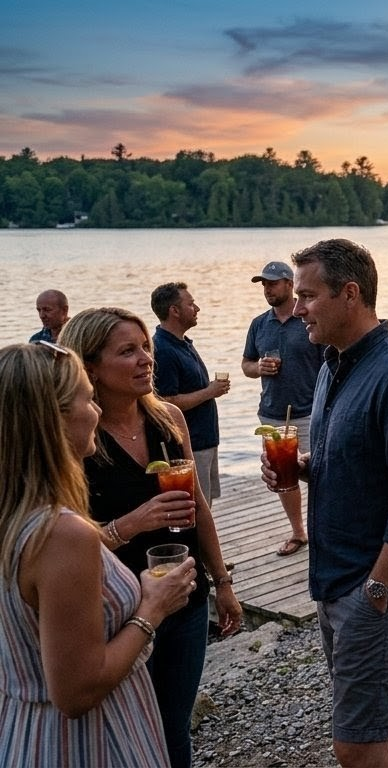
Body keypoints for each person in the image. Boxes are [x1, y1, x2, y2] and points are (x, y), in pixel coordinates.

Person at [278, 238, 388, 766]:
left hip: (373, 583)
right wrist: (304, 468)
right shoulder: (332, 363)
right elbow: (354, 462)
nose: (296, 307)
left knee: (354, 745)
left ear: (350, 294)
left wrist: (378, 587)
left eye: (308, 295)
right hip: (335, 573)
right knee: (379, 712)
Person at [61, 307, 242, 768]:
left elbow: (198, 507)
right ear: (90, 367)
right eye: (128, 351)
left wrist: (221, 583)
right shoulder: (75, 437)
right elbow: (56, 545)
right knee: (120, 731)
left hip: (183, 596)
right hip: (113, 609)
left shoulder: (168, 419)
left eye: (146, 347)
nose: (146, 359)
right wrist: (132, 523)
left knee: (172, 724)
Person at [0, 341, 194, 767]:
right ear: (54, 419)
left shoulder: (13, 515)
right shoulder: (62, 533)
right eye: (88, 398)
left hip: (23, 729)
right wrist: (152, 608)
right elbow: (77, 693)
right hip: (88, 742)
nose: (98, 411)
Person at [242, 261, 324, 557]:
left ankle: (323, 530)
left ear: (290, 284)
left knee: (319, 473)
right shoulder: (259, 324)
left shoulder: (308, 320)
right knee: (284, 476)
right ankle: (298, 532)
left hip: (310, 411)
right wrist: (258, 367)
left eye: (272, 283)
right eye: (263, 284)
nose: (267, 289)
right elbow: (246, 365)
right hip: (272, 414)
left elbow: (328, 362)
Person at [150, 282, 229, 501]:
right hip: (190, 445)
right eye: (191, 304)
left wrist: (210, 390)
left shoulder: (182, 343)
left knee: (207, 504)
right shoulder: (163, 350)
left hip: (206, 440)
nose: (197, 309)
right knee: (197, 508)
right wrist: (209, 391)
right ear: (174, 311)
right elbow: (166, 401)